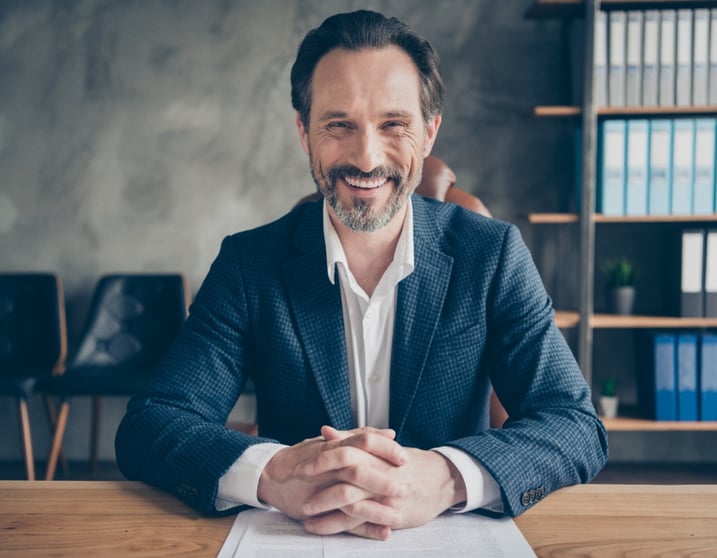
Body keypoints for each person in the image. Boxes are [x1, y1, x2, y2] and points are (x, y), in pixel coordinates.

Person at [115, 9, 608, 541]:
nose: (366, 157)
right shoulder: (247, 265)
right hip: (295, 542)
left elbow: (575, 425)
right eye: (339, 125)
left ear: (429, 132)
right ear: (305, 132)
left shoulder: (493, 255)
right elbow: (152, 423)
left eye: (393, 124)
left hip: (452, 539)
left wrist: (445, 478)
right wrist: (274, 475)